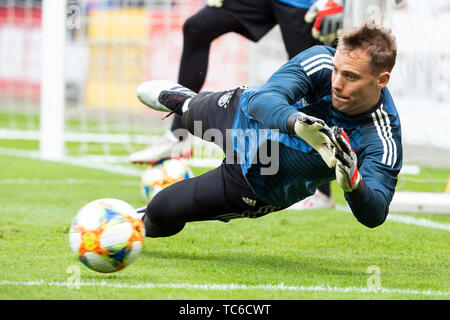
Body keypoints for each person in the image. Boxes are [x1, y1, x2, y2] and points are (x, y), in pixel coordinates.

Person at [135, 23, 402, 237]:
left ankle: (137, 225)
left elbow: (375, 214)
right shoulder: (321, 61)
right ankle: (186, 102)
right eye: (336, 71)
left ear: (382, 80)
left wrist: (353, 184)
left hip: (257, 180)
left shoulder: (381, 136)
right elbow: (266, 99)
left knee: (162, 209)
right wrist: (297, 124)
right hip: (241, 115)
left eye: (351, 76)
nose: (337, 83)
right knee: (191, 113)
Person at [130, 0, 345, 209]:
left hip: (303, 4)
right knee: (197, 27)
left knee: (313, 81)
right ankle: (177, 137)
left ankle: (322, 194)